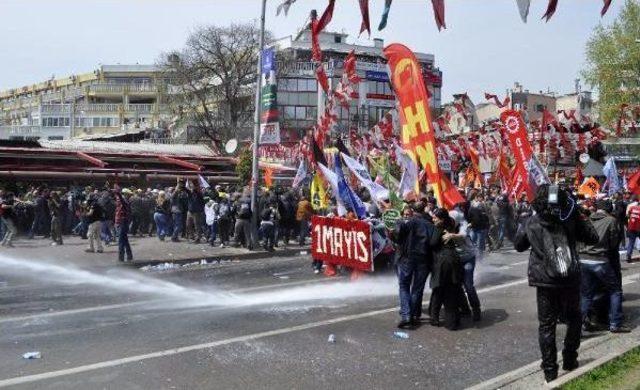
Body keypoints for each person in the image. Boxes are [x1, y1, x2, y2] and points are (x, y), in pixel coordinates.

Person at [515, 184, 599, 383]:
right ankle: (570, 358)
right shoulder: (570, 218)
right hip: (569, 277)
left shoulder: (532, 221)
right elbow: (593, 237)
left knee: (546, 325)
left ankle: (550, 372)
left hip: (545, 281)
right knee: (574, 318)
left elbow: (519, 245)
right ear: (562, 200)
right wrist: (578, 213)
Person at [579, 199, 630, 333]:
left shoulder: (588, 219)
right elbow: (613, 243)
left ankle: (577, 326)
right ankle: (615, 323)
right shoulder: (611, 221)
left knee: (586, 295)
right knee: (615, 291)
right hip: (600, 259)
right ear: (609, 210)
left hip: (583, 259)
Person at [391, 202, 438, 329]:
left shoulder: (405, 222)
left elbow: (396, 238)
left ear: (413, 211)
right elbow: (434, 242)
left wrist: (392, 229)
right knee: (416, 288)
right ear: (424, 210)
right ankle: (411, 314)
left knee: (404, 286)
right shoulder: (429, 225)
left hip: (407, 258)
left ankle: (407, 315)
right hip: (422, 259)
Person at [430, 208, 464, 330]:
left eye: (435, 217)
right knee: (452, 290)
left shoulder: (439, 228)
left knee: (440, 290)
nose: (433, 219)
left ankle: (439, 319)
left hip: (443, 262)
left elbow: (433, 243)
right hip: (453, 260)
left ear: (442, 219)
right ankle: (455, 320)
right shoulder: (451, 225)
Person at [467, 196, 490, 260]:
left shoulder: (483, 208)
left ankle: (480, 258)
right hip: (475, 228)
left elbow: (486, 218)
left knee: (479, 244)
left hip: (481, 228)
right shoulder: (471, 209)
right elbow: (469, 218)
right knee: (472, 243)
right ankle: (474, 257)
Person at [114, 187, 133, 262]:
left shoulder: (125, 202)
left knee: (121, 241)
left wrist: (118, 193)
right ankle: (129, 255)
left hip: (122, 222)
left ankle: (121, 257)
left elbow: (121, 200)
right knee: (125, 240)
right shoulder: (122, 201)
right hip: (122, 221)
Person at [625, 196, 640, 263]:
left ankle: (628, 255)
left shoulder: (632, 208)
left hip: (631, 227)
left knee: (631, 242)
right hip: (638, 228)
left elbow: (627, 215)